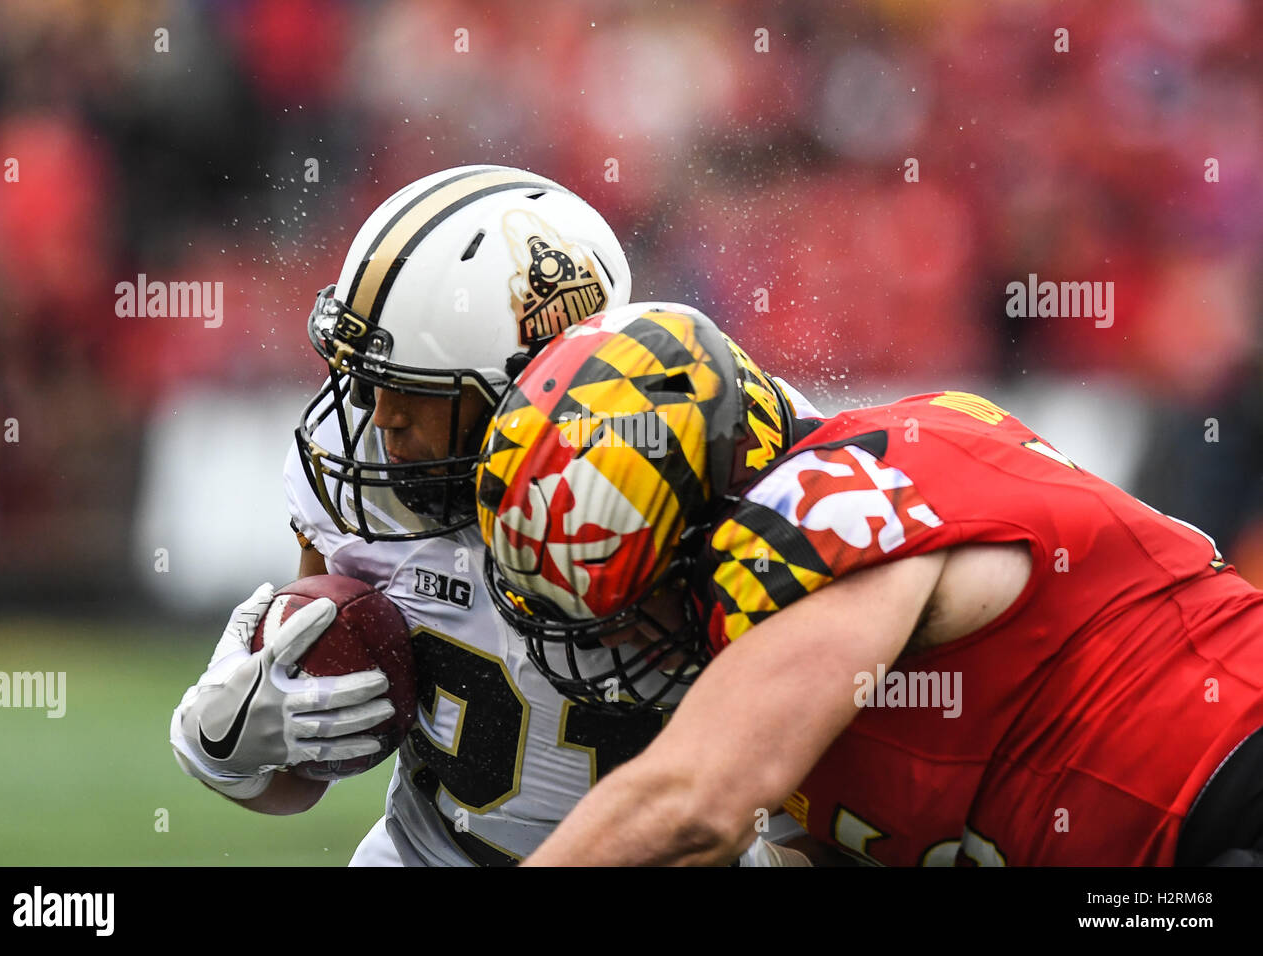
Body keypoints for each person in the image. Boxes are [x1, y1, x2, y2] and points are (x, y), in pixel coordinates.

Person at [168, 167, 810, 865]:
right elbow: (307, 767)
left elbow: (821, 821)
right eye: (370, 379)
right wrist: (229, 743)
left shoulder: (734, 464)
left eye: (416, 390)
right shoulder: (357, 467)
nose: (380, 417)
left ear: (538, 387)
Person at [476, 300, 1263, 866]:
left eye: (628, 602)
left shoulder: (818, 510)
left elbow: (692, 805)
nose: (619, 641)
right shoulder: (802, 645)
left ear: (702, 516)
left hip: (1231, 782)